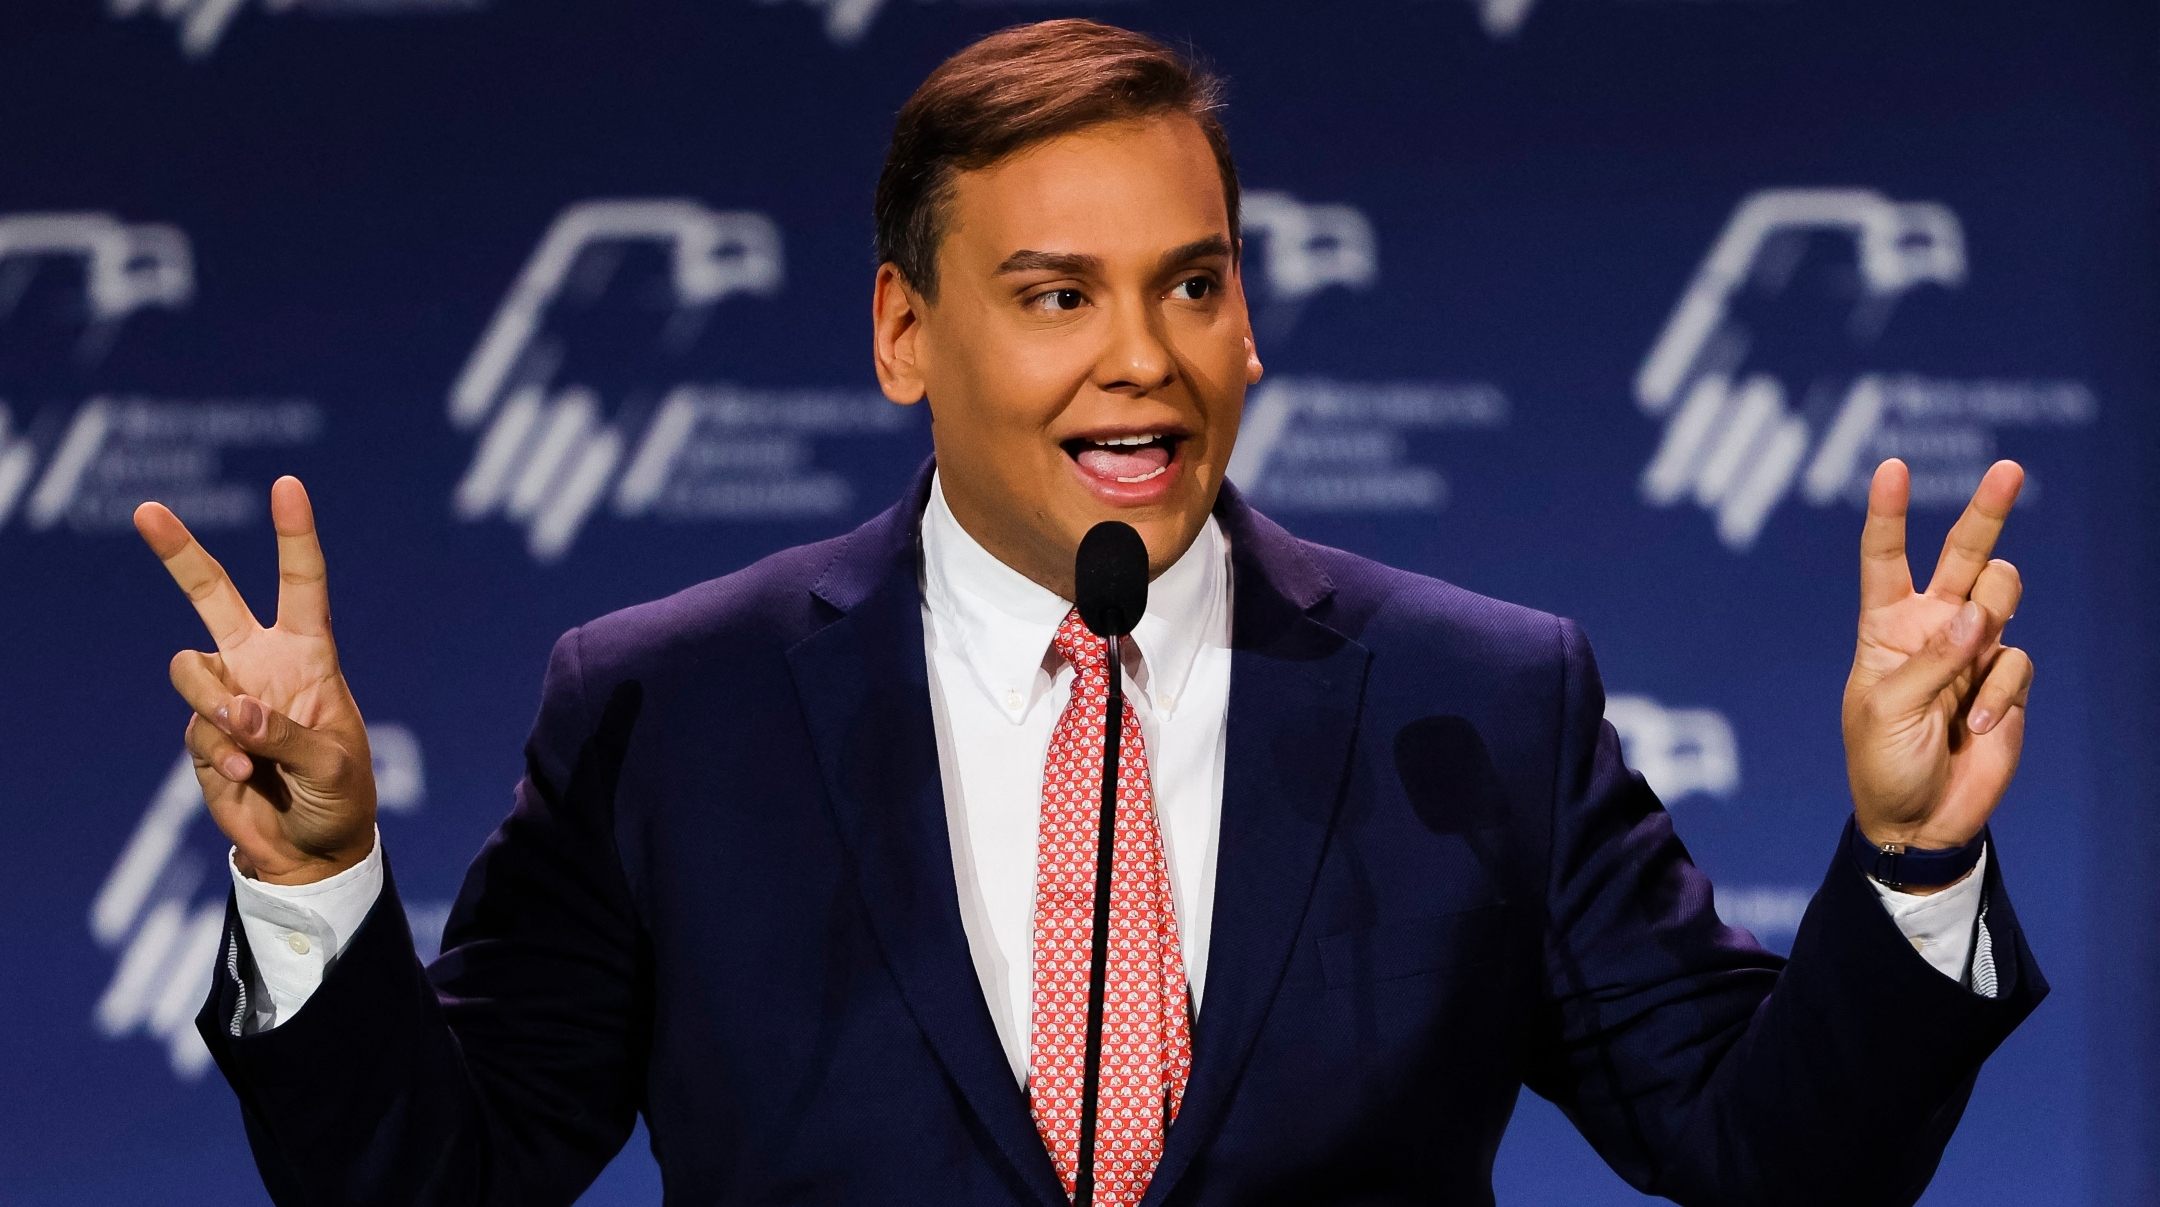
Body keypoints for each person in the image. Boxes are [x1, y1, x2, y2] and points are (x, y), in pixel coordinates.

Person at [132, 20, 2043, 1207]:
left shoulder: (1480, 701)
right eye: (1057, 295)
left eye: (1192, 285)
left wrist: (1909, 860)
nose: (1147, 361)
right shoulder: (670, 709)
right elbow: (442, 1180)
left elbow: (1764, 1159)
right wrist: (316, 887)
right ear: (903, 331)